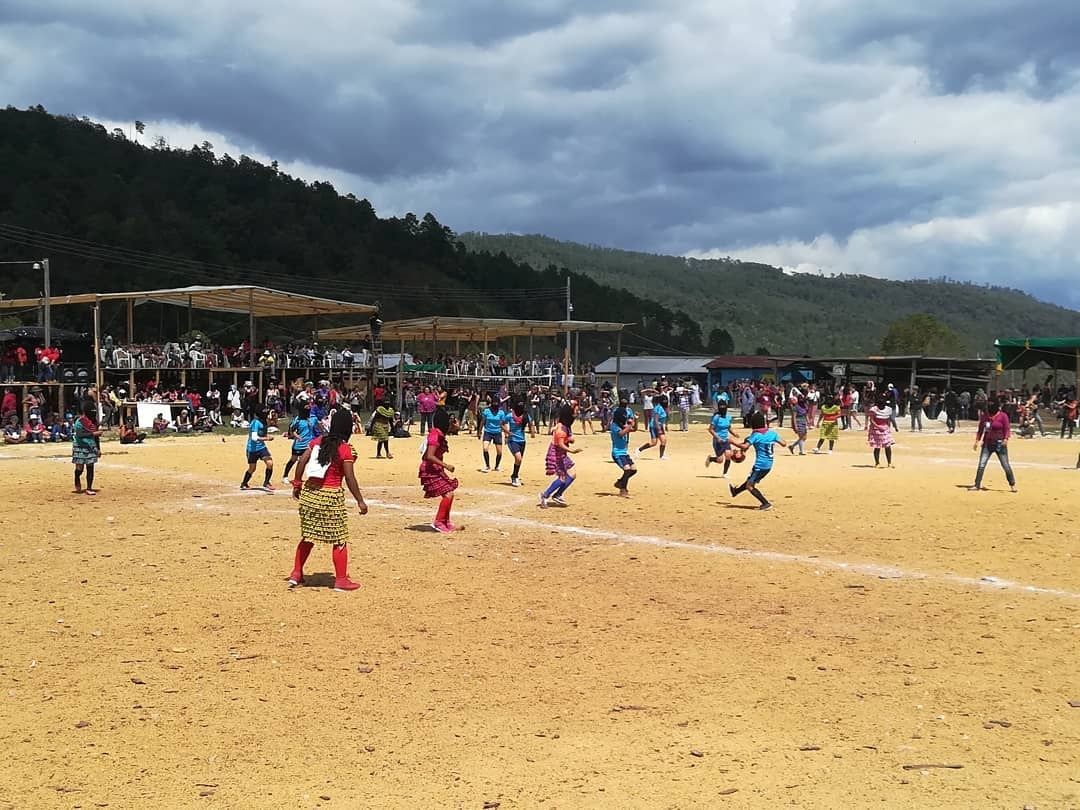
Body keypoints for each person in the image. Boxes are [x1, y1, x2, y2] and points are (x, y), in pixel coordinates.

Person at [288, 408, 368, 591]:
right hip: (330, 496)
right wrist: (360, 501)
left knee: (308, 536)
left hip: (310, 494)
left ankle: (296, 573)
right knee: (339, 538)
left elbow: (302, 462)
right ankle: (340, 580)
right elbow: (349, 478)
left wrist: (297, 484)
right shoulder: (345, 449)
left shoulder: (317, 441)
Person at [728, 411, 786, 511]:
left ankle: (766, 503)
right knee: (751, 480)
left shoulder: (756, 436)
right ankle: (736, 491)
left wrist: (732, 442)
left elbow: (744, 446)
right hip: (769, 464)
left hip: (760, 465)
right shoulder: (772, 434)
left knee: (750, 485)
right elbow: (784, 443)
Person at [419, 407, 459, 534]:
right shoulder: (435, 435)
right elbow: (429, 456)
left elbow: (453, 429)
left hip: (436, 469)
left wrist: (455, 425)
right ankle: (439, 522)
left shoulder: (439, 433)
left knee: (449, 493)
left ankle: (445, 522)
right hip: (430, 469)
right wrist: (446, 465)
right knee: (448, 494)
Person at [539, 403, 581, 508]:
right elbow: (561, 444)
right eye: (575, 411)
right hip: (556, 455)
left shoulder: (565, 426)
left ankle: (558, 494)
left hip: (562, 455)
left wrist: (569, 439)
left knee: (572, 474)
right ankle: (545, 495)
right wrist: (572, 451)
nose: (577, 412)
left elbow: (566, 439)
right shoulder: (561, 430)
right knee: (562, 478)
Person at [970, 399, 1017, 492]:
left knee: (1005, 465)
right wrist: (977, 441)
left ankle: (1012, 484)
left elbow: (1007, 429)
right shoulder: (985, 416)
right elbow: (980, 429)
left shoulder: (1003, 416)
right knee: (981, 465)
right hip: (987, 444)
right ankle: (977, 484)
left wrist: (1006, 439)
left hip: (1000, 444)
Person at [283, 401, 320, 483]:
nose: (308, 409)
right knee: (293, 460)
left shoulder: (313, 418)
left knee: (308, 460)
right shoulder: (297, 420)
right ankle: (285, 476)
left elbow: (319, 427)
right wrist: (296, 436)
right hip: (298, 445)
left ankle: (303, 477)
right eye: (306, 407)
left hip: (308, 445)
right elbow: (291, 430)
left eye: (309, 407)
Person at [241, 407, 275, 490]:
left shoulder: (264, 422)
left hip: (261, 447)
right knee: (252, 468)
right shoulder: (255, 423)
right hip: (252, 449)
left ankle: (266, 482)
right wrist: (267, 438)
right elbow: (254, 437)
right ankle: (244, 483)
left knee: (270, 463)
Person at [72, 402, 102, 495]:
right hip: (80, 446)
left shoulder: (93, 422)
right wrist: (94, 434)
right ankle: (77, 477)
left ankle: (89, 487)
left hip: (91, 447)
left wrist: (98, 448)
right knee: (79, 469)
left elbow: (96, 438)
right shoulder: (79, 422)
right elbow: (80, 435)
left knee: (90, 467)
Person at [705, 400, 740, 477]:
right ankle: (711, 459)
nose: (723, 409)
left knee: (728, 455)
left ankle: (725, 473)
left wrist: (734, 433)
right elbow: (711, 429)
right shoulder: (716, 418)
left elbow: (729, 427)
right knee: (720, 460)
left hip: (726, 440)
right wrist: (717, 437)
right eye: (721, 407)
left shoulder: (728, 417)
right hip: (717, 441)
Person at [610, 400, 637, 497]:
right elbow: (621, 433)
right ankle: (623, 490)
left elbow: (634, 429)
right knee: (627, 469)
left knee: (633, 469)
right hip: (617, 453)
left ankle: (620, 482)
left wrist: (635, 421)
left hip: (624, 452)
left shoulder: (622, 425)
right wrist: (629, 425)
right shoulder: (614, 426)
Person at [505, 400, 531, 487]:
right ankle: (515, 476)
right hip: (513, 440)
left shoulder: (525, 415)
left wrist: (532, 431)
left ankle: (514, 475)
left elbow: (531, 423)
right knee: (518, 458)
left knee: (519, 461)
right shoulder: (510, 415)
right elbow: (501, 423)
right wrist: (507, 432)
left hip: (522, 441)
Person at [478, 397, 507, 473]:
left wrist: (506, 434)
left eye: (497, 403)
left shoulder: (501, 413)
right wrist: (479, 431)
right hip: (488, 432)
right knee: (485, 448)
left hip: (497, 432)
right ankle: (487, 466)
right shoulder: (486, 411)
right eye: (494, 403)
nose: (495, 404)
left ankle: (497, 466)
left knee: (499, 452)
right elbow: (482, 421)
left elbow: (503, 424)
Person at [866, 394, 895, 468]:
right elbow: (872, 420)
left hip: (885, 429)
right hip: (876, 430)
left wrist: (888, 428)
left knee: (887, 446)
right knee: (877, 446)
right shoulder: (873, 410)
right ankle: (877, 463)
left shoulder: (888, 409)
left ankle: (889, 463)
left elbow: (888, 420)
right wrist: (878, 427)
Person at [636, 394, 668, 459]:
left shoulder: (664, 408)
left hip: (659, 426)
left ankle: (661, 456)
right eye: (664, 400)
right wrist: (658, 428)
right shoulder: (658, 407)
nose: (665, 401)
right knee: (653, 443)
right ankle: (639, 450)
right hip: (654, 426)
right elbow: (656, 419)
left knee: (663, 441)